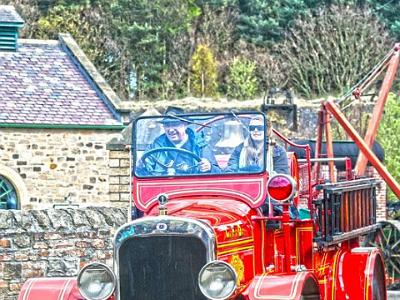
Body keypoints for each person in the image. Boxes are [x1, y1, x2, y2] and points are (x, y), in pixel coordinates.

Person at [138, 107, 221, 176]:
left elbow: (219, 174)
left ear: (185, 125)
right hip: (163, 190)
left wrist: (209, 167)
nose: (170, 130)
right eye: (167, 125)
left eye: (175, 124)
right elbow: (142, 173)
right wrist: (141, 166)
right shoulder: (155, 147)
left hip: (192, 189)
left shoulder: (200, 145)